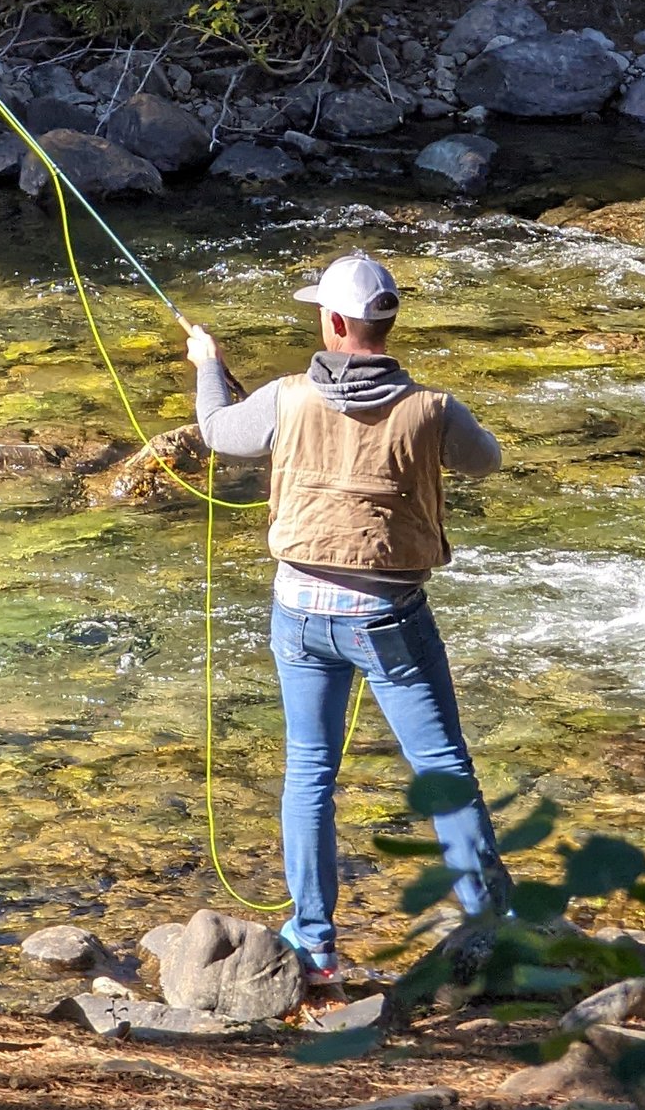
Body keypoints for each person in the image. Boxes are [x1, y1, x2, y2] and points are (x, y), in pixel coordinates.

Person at [182, 251, 508, 988]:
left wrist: (208, 362)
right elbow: (483, 462)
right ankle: (491, 927)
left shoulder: (286, 397)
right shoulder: (433, 408)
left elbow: (217, 432)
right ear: (387, 322)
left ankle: (316, 945)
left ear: (333, 321)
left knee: (309, 770)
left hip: (298, 609)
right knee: (442, 768)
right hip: (387, 615)